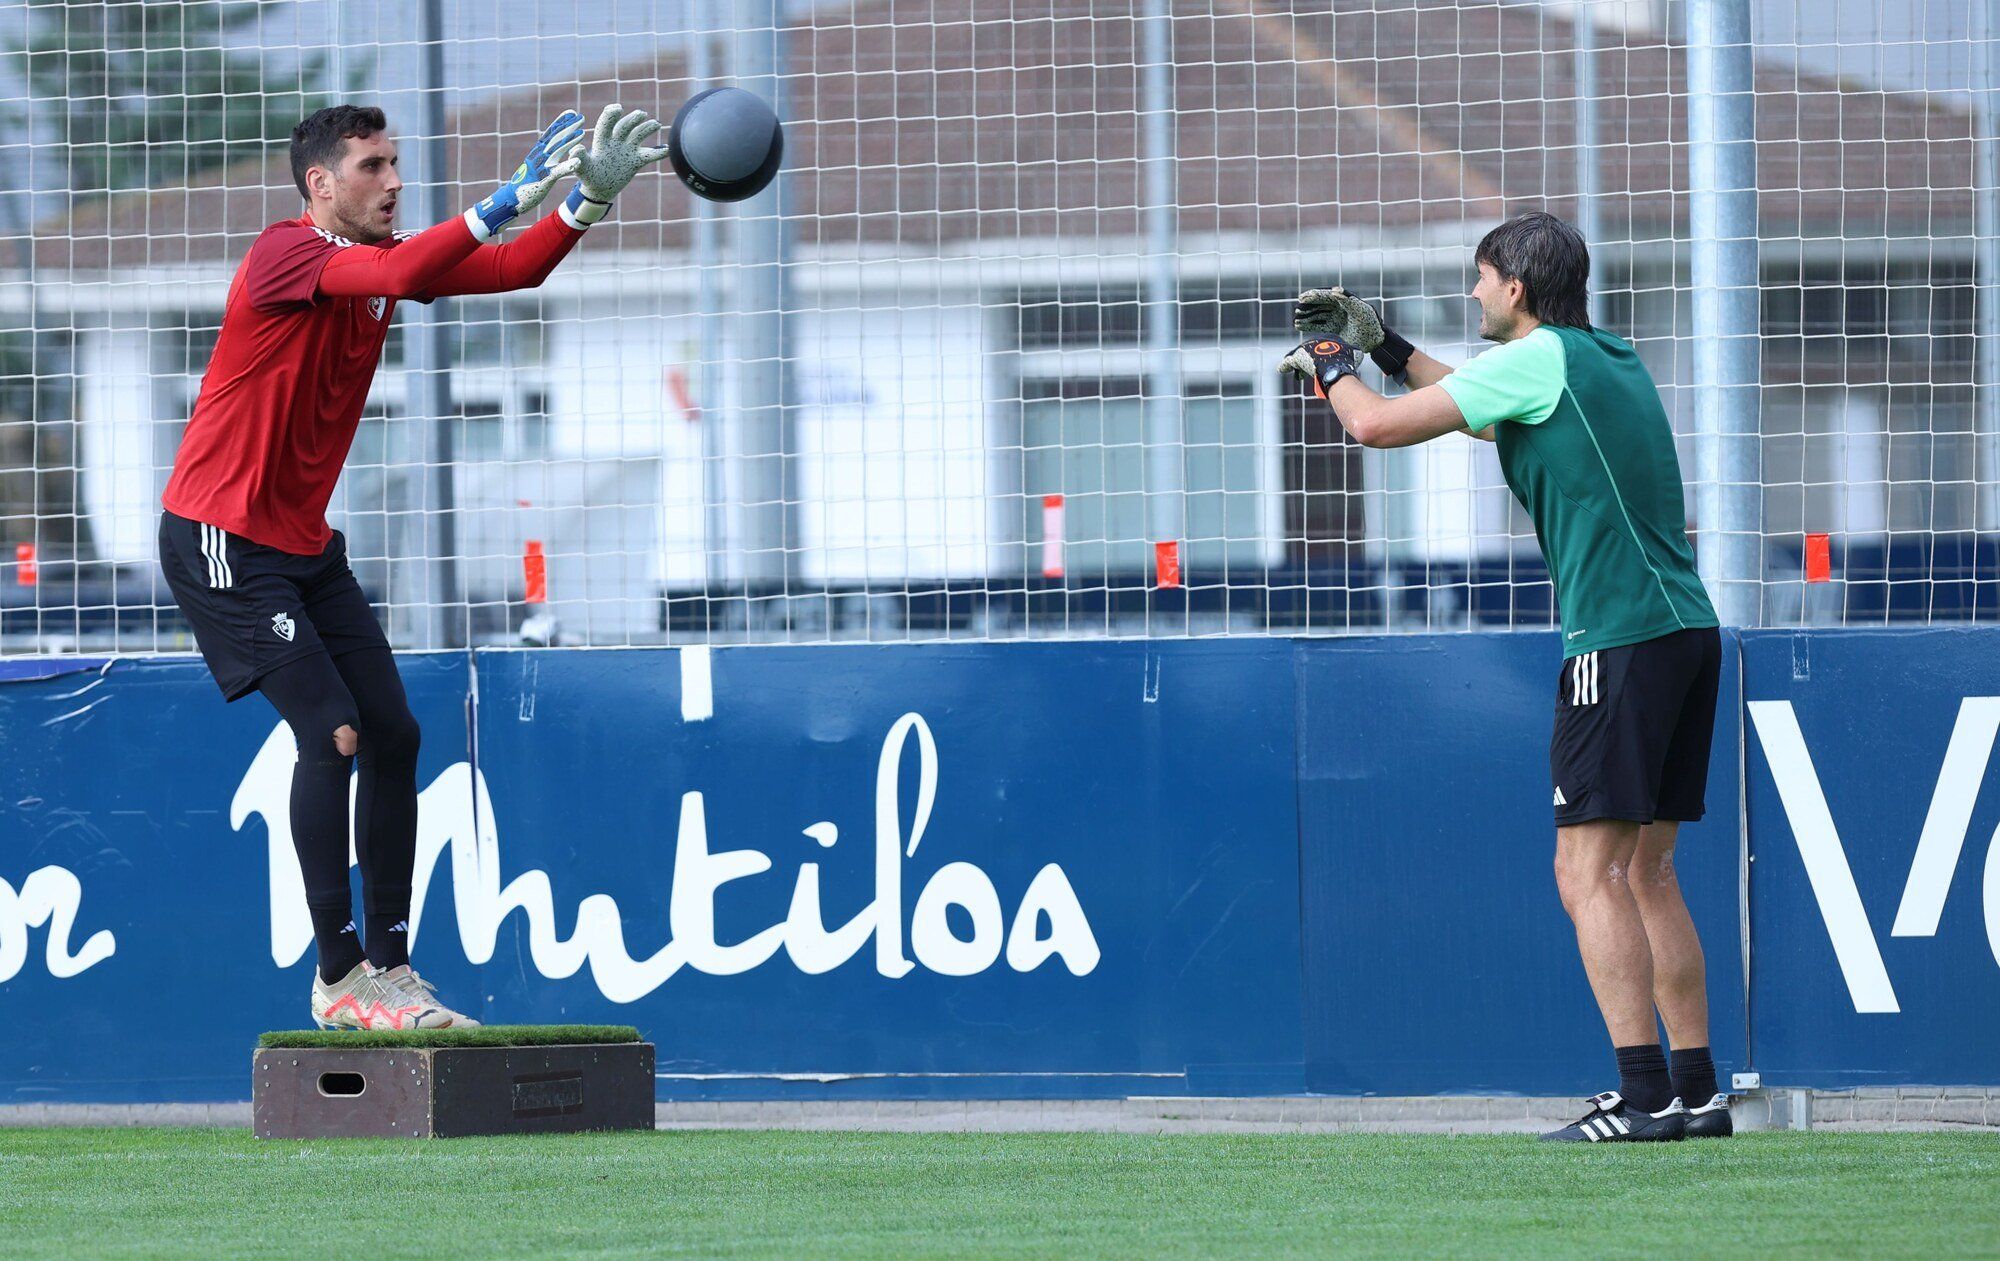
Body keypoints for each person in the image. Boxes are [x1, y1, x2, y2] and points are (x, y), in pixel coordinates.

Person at [156, 103, 670, 1029]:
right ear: (320, 185)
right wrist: (507, 196)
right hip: (221, 538)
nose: (392, 180)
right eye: (370, 167)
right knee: (335, 731)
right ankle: (338, 973)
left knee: (394, 733)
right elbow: (410, 261)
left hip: (304, 545)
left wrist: (582, 203)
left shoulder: (380, 269)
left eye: (395, 163)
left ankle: (389, 972)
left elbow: (508, 268)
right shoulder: (287, 255)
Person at [1282, 211, 1730, 1142]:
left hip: (1616, 638)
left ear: (1516, 289)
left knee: (1586, 872)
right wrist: (1388, 345)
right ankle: (1697, 1092)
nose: (1474, 292)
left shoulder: (1536, 362)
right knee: (1649, 871)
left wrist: (1331, 361)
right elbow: (1480, 409)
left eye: (1481, 279)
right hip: (1683, 630)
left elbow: (1371, 427)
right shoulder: (1598, 354)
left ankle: (1643, 1100)